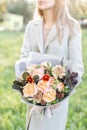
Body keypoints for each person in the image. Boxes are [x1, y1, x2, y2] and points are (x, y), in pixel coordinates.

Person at [20, 0, 84, 130]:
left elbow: (77, 67)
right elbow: (24, 59)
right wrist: (30, 87)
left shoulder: (71, 26)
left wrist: (60, 94)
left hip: (57, 103)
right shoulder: (32, 26)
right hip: (34, 99)